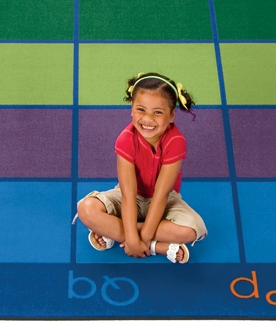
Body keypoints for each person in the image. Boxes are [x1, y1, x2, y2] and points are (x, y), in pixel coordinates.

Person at [74, 73, 207, 264]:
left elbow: (161, 195)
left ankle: (115, 233)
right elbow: (128, 195)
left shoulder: (176, 141)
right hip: (131, 196)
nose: (147, 119)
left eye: (158, 112)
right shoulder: (125, 139)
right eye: (141, 110)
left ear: (171, 115)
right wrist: (134, 240)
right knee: (87, 209)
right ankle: (156, 246)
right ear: (132, 109)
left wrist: (139, 240)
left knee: (190, 231)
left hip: (165, 199)